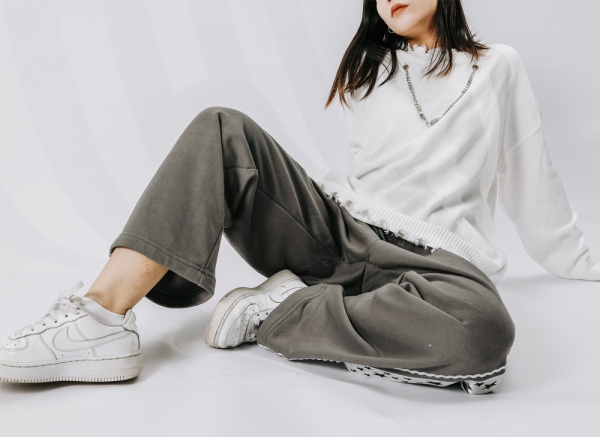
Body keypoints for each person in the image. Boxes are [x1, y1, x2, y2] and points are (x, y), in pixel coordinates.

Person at [1, 0, 597, 393]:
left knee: (481, 331)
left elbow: (534, 184)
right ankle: (100, 318)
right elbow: (375, 182)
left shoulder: (498, 68)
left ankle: (281, 309)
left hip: (436, 265)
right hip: (340, 234)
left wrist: (582, 262)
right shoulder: (367, 73)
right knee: (221, 128)